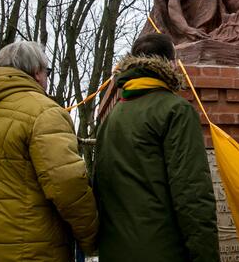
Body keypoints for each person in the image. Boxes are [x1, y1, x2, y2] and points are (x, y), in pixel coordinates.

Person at [0, 41, 98, 261]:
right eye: (47, 71)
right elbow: (68, 184)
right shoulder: (43, 112)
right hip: (28, 250)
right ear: (36, 72)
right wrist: (92, 238)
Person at [93, 34, 219, 262]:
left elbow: (99, 190)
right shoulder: (175, 111)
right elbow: (191, 194)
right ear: (170, 64)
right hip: (163, 252)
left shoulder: (111, 120)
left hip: (114, 252)